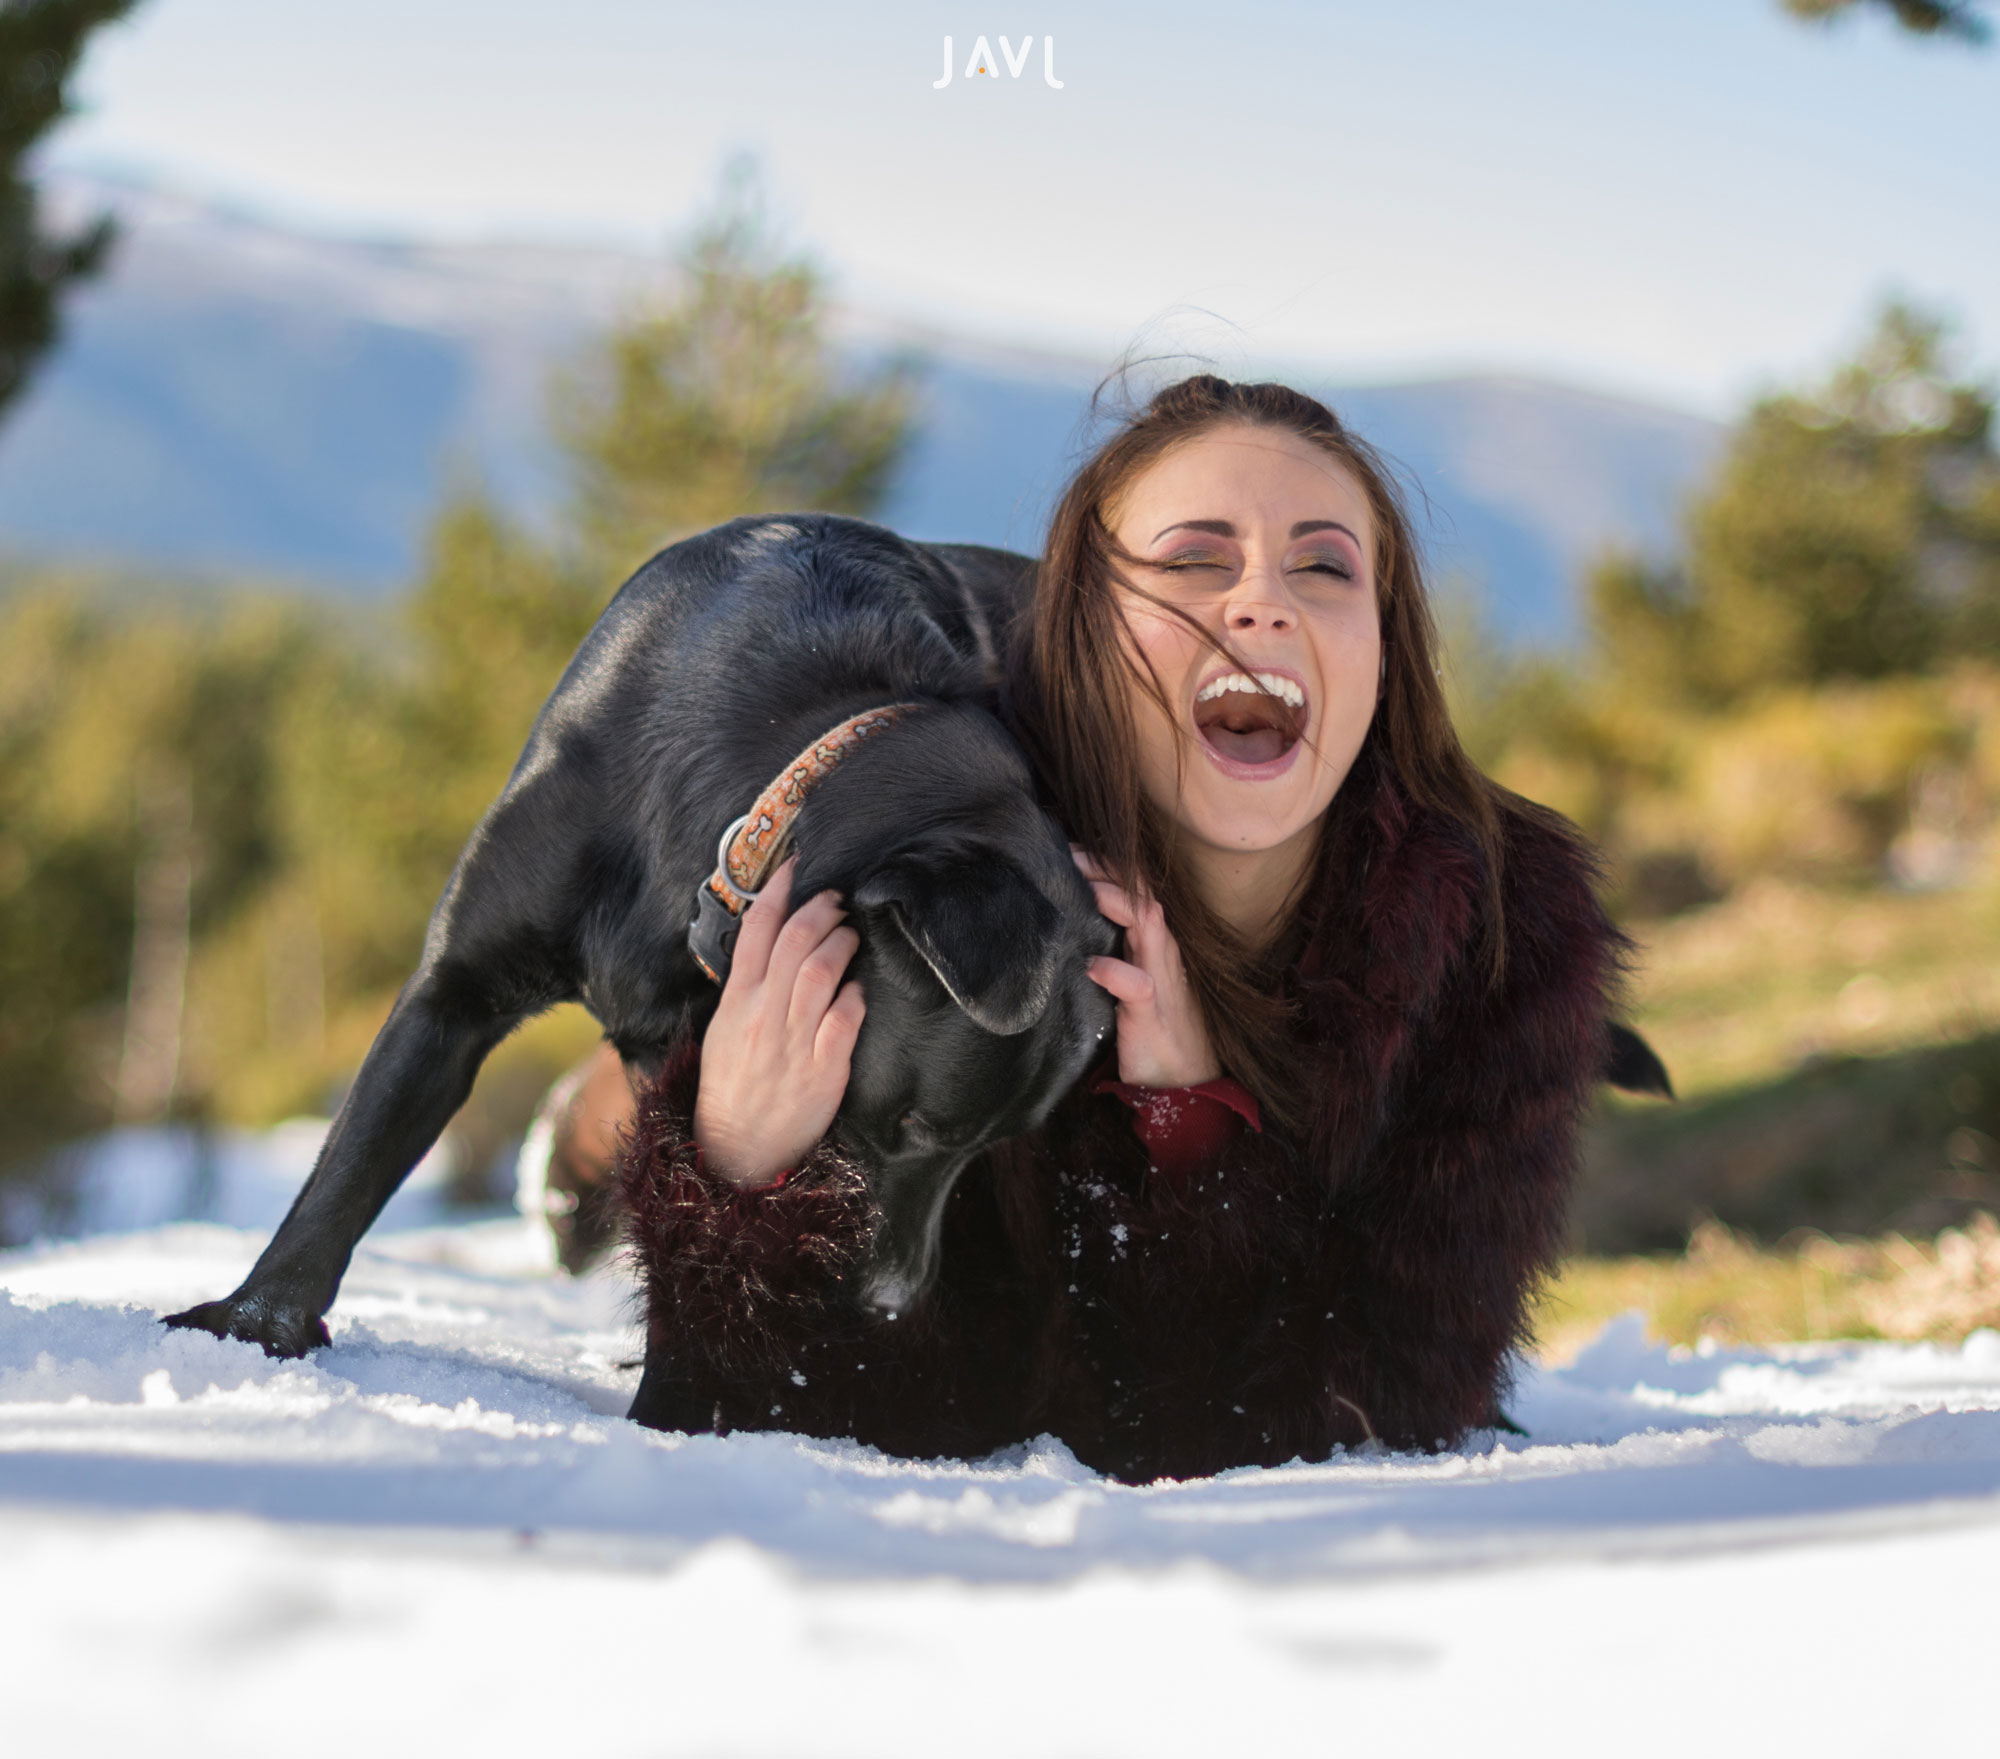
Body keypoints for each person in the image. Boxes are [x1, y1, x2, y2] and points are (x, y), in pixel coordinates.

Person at [566, 375, 1625, 1483]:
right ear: (1081, 628)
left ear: (1384, 648)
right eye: (1191, 561)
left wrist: (1190, 1138)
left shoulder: (1504, 920)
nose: (1264, 601)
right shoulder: (949, 885)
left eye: (1323, 566)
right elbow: (778, 1413)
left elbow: (1388, 1406)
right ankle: (596, 1105)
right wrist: (741, 1168)